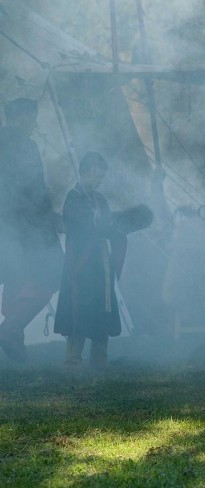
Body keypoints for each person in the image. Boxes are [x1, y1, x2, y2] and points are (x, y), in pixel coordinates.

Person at [0, 98, 63, 362]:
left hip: (7, 226)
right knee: (51, 273)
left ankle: (15, 341)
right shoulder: (25, 145)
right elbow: (34, 189)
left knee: (16, 279)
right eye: (31, 117)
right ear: (22, 117)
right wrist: (47, 219)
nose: (34, 123)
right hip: (26, 226)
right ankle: (11, 329)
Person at [54, 153, 125, 369]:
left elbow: (107, 224)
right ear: (84, 172)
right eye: (96, 176)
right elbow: (80, 227)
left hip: (101, 263)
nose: (98, 181)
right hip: (81, 262)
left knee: (102, 306)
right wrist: (103, 229)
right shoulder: (73, 198)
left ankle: (99, 359)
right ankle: (73, 359)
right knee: (79, 306)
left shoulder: (100, 199)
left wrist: (118, 228)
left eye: (101, 178)